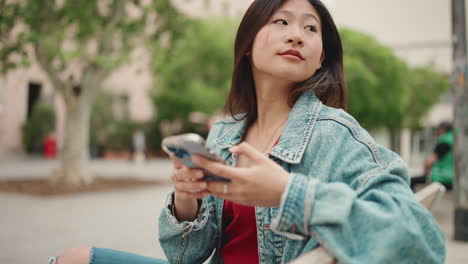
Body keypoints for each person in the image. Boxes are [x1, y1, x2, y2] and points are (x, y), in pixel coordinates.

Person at [51, 0, 445, 263]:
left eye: (311, 29)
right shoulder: (224, 132)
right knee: (72, 258)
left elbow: (422, 243)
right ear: (247, 44)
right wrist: (186, 200)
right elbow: (185, 256)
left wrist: (290, 195)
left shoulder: (337, 135)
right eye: (281, 22)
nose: (297, 34)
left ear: (320, 57)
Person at [413, 121, 454, 191]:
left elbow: (430, 161)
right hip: (453, 178)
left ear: (442, 129)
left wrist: (426, 169)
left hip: (443, 178)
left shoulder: (445, 140)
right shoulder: (455, 138)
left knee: (411, 181)